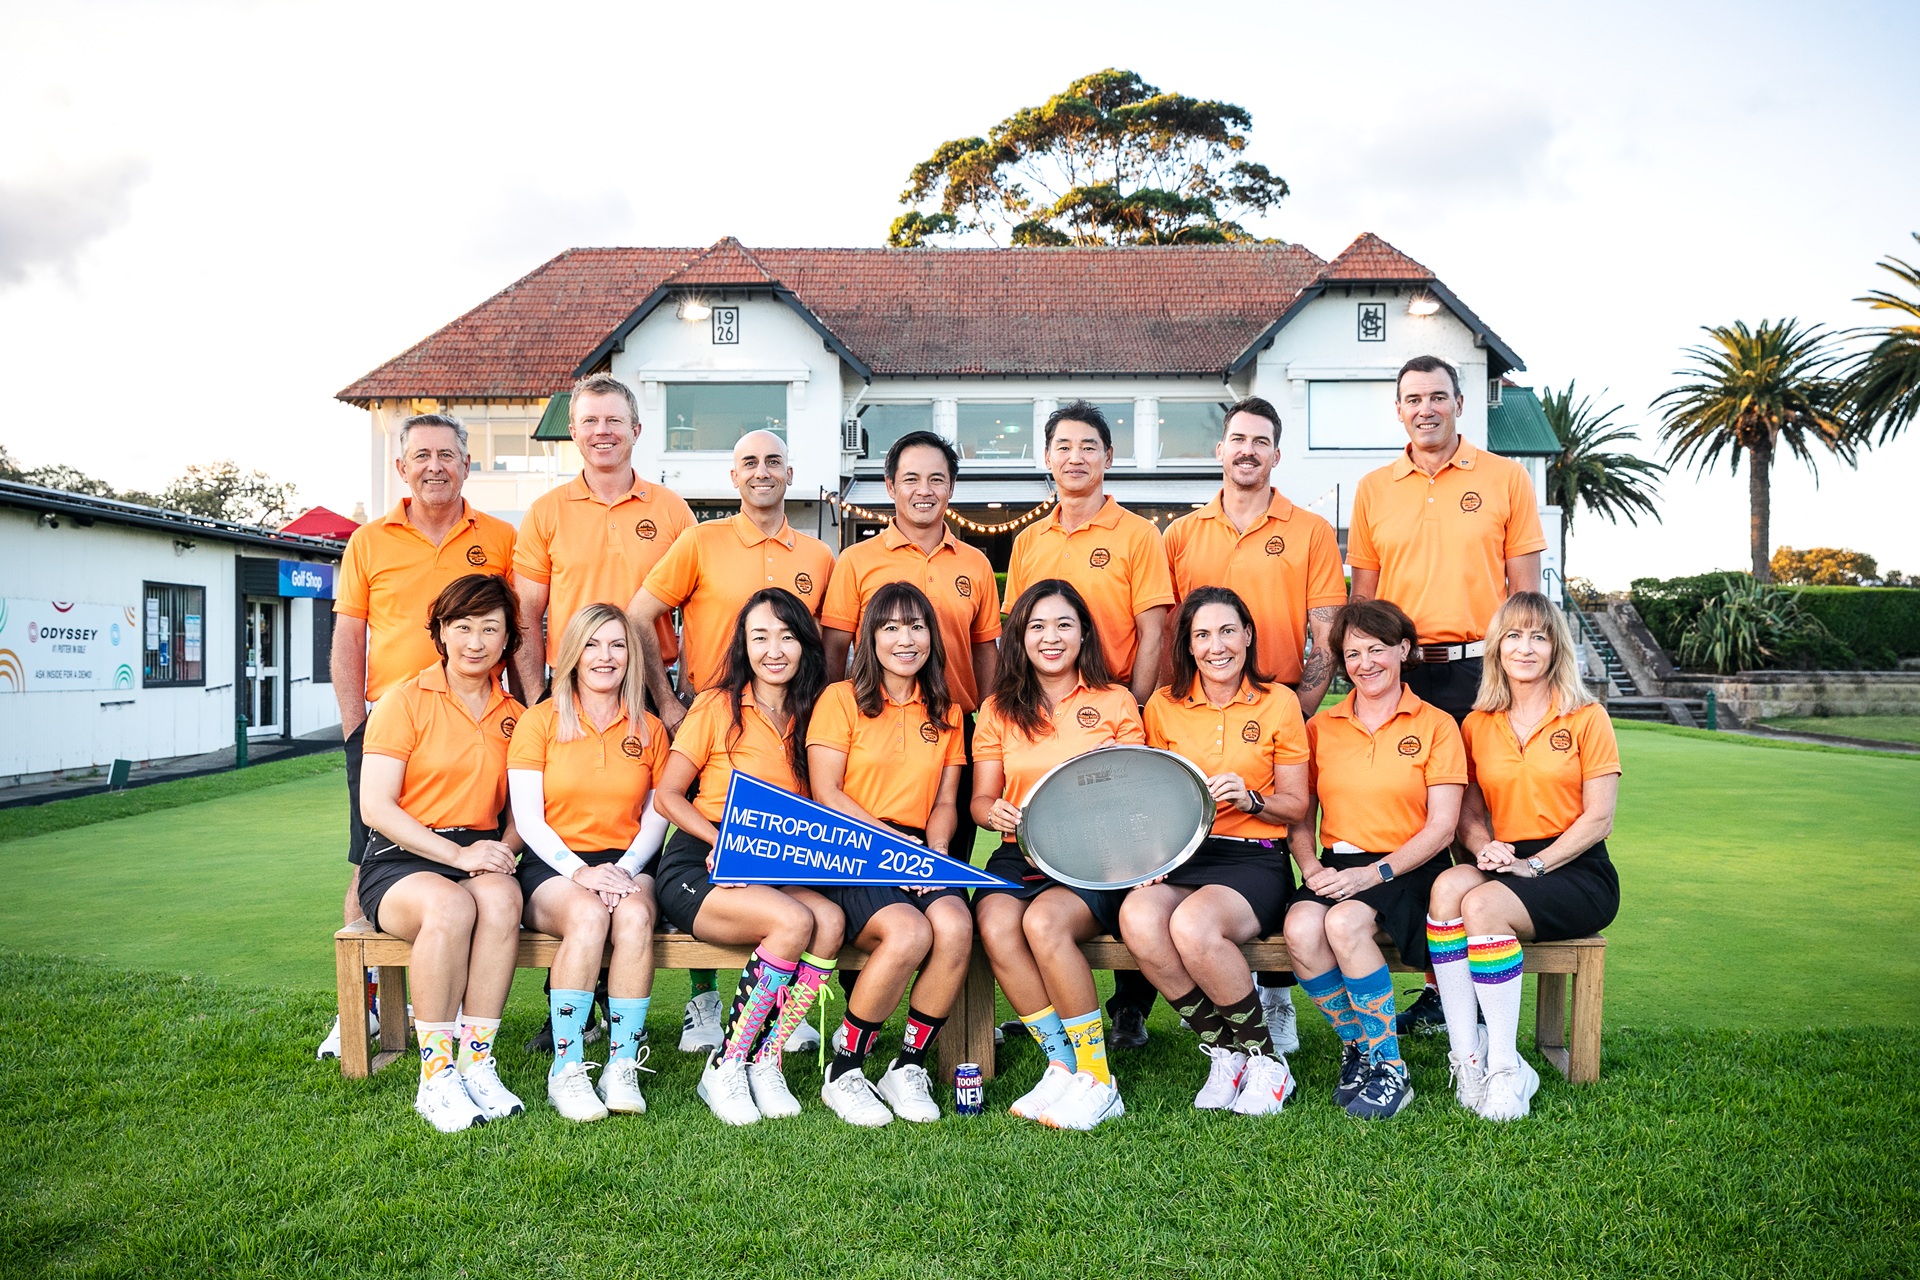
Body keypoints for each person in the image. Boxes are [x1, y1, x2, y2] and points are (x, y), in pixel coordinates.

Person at [1345, 354, 1546, 1034]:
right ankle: (1440, 986)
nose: (1425, 408)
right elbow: (1364, 602)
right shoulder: (1374, 488)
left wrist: (1525, 676)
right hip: (1403, 672)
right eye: (1412, 399)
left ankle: (1490, 977)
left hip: (1480, 671)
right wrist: (1363, 668)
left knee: (1479, 822)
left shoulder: (1505, 477)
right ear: (1398, 410)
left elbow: (1526, 595)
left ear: (1461, 402)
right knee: (1418, 824)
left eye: (1437, 396)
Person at [629, 428, 832, 1054]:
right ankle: (707, 1007)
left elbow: (827, 642)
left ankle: (774, 1026)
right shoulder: (700, 540)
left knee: (811, 913)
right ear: (734, 475)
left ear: (790, 474)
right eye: (749, 462)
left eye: (774, 461)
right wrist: (668, 701)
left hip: (790, 715)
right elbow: (638, 614)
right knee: (710, 830)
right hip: (713, 710)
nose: (762, 471)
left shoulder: (819, 555)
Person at [322, 412, 515, 1060]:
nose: (435, 466)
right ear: (402, 467)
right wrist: (356, 726)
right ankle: (366, 1008)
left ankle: (452, 1020)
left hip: (477, 719)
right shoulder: (368, 541)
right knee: (367, 858)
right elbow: (349, 638)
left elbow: (513, 630)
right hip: (391, 723)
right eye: (421, 456)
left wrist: (525, 713)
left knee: (482, 870)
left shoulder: (500, 537)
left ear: (466, 465)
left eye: (447, 454)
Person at [1161, 395, 1347, 1045]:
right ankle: (1208, 1012)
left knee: (1276, 831)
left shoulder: (1310, 530)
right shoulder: (1182, 533)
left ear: (1276, 453)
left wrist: (1288, 711)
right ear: (1220, 450)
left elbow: (1326, 636)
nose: (1247, 450)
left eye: (1260, 440)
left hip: (1277, 703)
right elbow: (1172, 632)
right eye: (1237, 438)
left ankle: (1277, 994)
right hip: (1198, 705)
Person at [1003, 400, 1174, 1047]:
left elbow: (1153, 630)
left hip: (1112, 712)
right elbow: (1017, 631)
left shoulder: (1138, 534)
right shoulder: (1029, 541)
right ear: (1046, 458)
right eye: (1063, 446)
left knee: (1123, 848)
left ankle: (1129, 1007)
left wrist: (1131, 703)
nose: (1075, 457)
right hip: (1044, 712)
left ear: (1108, 456)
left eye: (1088, 446)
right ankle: (1054, 1004)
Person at [651, 589, 846, 1127]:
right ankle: (726, 1064)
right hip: (702, 861)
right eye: (760, 637)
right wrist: (716, 840)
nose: (773, 650)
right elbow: (667, 796)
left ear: (805, 645)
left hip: (776, 864)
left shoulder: (816, 712)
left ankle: (766, 1057)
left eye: (787, 637)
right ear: (743, 644)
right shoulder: (716, 706)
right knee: (793, 922)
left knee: (829, 922)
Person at [1430, 591, 1621, 1121]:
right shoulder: (1477, 723)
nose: (1525, 647)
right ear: (1497, 647)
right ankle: (1468, 1057)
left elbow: (1599, 819)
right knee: (1447, 889)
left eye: (1539, 636)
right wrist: (1483, 846)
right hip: (1507, 861)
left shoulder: (1587, 717)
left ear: (1557, 647)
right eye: (1513, 636)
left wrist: (1533, 866)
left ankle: (1507, 1068)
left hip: (1577, 869)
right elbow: (1469, 816)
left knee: (1483, 905)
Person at [1125, 587, 1310, 1115]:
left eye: (1228, 631)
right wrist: (1153, 855)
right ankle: (1227, 1052)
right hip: (1184, 855)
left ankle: (1268, 1061)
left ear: (1247, 635)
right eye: (1202, 635)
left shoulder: (1279, 702)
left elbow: (1296, 805)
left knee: (1192, 925)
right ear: (1188, 644)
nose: (1216, 646)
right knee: (1138, 917)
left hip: (1254, 856)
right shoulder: (1164, 705)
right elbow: (1147, 798)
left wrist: (1252, 799)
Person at [354, 574, 527, 1133]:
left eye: (490, 629)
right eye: (463, 627)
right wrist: (457, 858)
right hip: (400, 858)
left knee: (502, 901)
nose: (476, 642)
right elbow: (376, 807)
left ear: (508, 639)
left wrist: (502, 851)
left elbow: (523, 812)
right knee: (450, 907)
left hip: (475, 850)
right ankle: (435, 1077)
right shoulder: (403, 701)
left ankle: (476, 1064)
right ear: (441, 632)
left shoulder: (517, 715)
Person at [971, 580, 1145, 1130]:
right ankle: (1062, 1063)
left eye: (1064, 624)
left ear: (1084, 633)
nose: (1051, 637)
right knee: (993, 921)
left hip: (1097, 856)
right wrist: (994, 813)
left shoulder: (1115, 701)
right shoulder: (998, 709)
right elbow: (981, 799)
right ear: (1019, 637)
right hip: (1020, 851)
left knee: (1044, 922)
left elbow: (1139, 792)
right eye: (1037, 626)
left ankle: (1098, 1077)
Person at [1283, 599, 1466, 1120]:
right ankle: (1359, 1047)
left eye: (1377, 649)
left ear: (1404, 649)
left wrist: (1375, 873)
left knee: (1343, 923)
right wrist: (1311, 868)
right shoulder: (1322, 727)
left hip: (1411, 866)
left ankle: (1391, 1067)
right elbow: (1300, 816)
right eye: (1353, 653)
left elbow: (1442, 827)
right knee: (1300, 928)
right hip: (1337, 864)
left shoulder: (1437, 725)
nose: (1365, 663)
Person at [806, 582, 973, 1126]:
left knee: (955, 925)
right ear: (869, 637)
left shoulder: (948, 711)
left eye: (917, 627)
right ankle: (845, 1070)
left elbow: (945, 803)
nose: (906, 639)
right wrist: (892, 845)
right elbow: (826, 793)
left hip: (920, 847)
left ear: (932, 637)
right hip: (847, 846)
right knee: (909, 932)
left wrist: (936, 854)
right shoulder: (840, 699)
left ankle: (907, 1066)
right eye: (891, 627)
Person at [507, 604, 671, 1122]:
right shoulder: (539, 721)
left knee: (636, 916)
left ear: (631, 656)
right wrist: (579, 872)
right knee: (588, 915)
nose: (606, 656)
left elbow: (656, 817)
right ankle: (568, 1067)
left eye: (617, 644)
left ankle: (621, 1064)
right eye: (593, 644)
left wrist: (622, 871)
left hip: (628, 861)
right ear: (572, 654)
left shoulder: (650, 729)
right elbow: (528, 818)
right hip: (554, 864)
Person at [821, 430, 1000, 866]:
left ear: (951, 487)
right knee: (865, 862)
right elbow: (833, 650)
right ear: (890, 486)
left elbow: (985, 652)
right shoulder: (856, 560)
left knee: (948, 860)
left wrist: (993, 722)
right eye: (911, 479)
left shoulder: (975, 563)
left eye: (936, 479)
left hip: (953, 729)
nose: (925, 490)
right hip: (872, 726)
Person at [509, 373, 696, 703]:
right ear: (573, 433)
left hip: (651, 690)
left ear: (635, 431)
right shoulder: (544, 512)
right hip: (570, 687)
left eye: (614, 420)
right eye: (590, 421)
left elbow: (697, 612)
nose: (601, 431)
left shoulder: (673, 510)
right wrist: (538, 697)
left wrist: (682, 692)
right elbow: (526, 615)